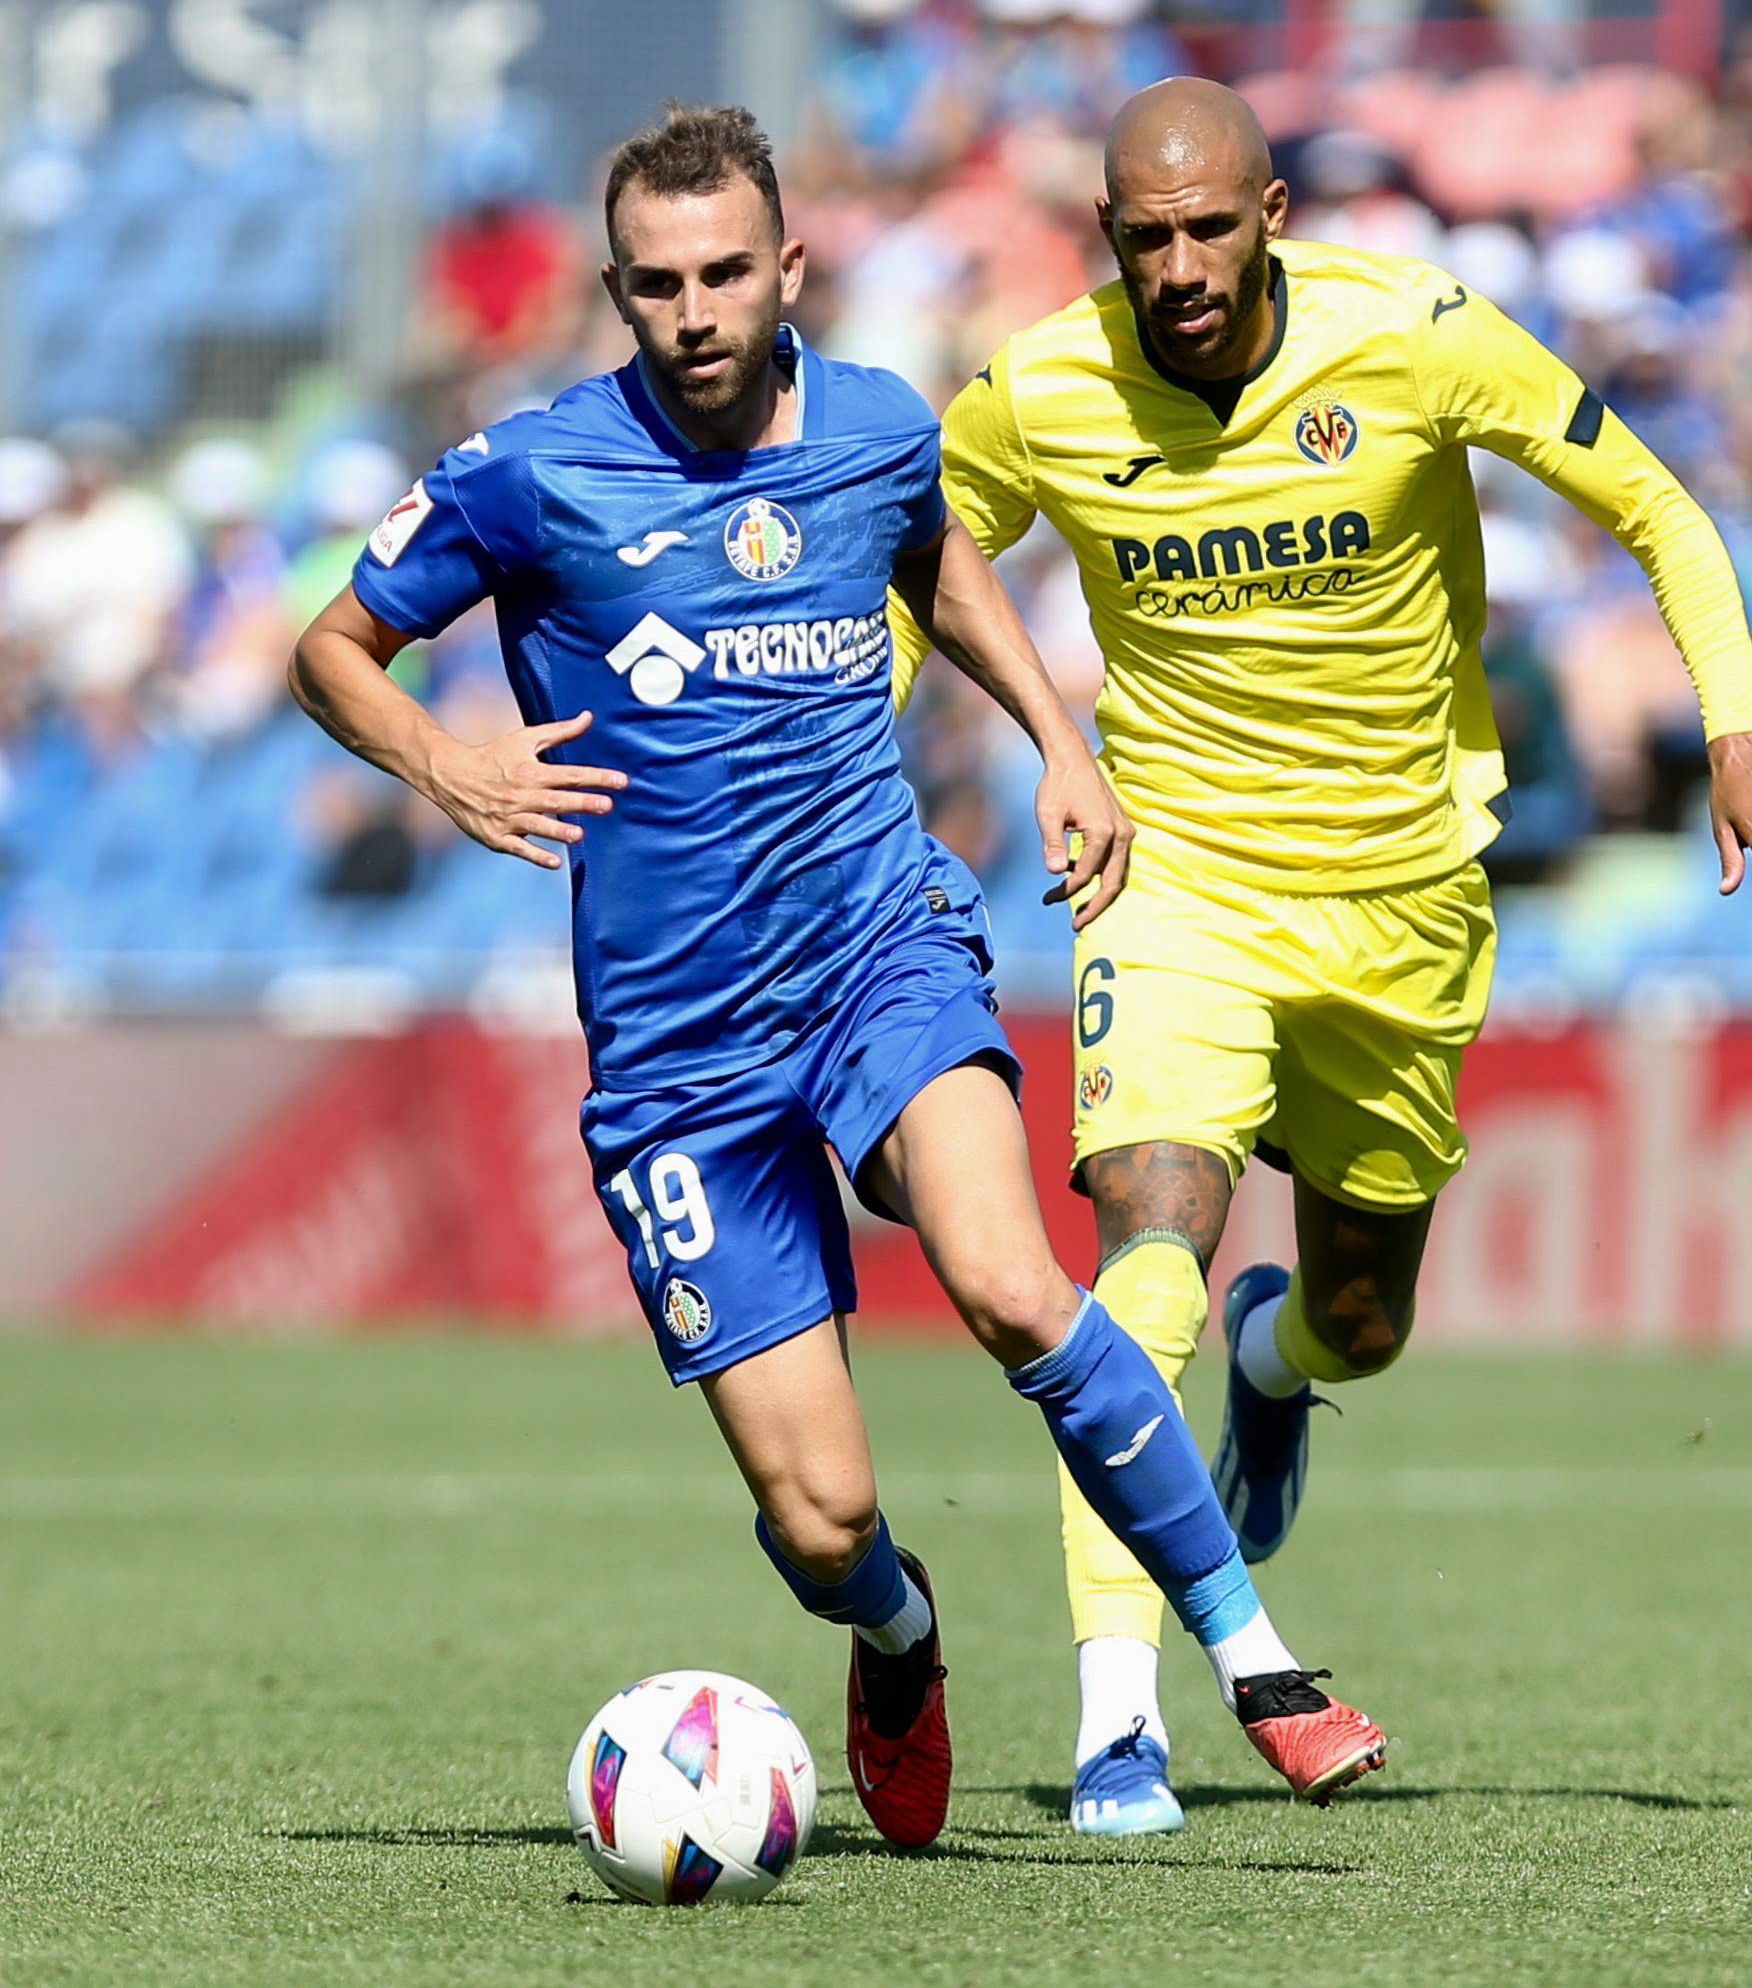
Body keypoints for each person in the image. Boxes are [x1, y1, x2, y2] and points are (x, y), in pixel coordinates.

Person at [287, 102, 1388, 1856]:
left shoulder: (877, 422)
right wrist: (449, 763)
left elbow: (937, 556)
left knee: (1017, 1284)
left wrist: (1059, 732)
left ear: (788, 267)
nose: (699, 310)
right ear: (616, 292)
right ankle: (898, 1630)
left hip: (880, 948)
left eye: (729, 271)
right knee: (819, 1516)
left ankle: (1257, 1660)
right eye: (659, 285)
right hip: (677, 1054)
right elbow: (331, 648)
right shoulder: (534, 471)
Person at [892, 78, 1752, 1836]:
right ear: (1109, 236)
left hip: (1403, 904)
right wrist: (870, 787)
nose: (1179, 266)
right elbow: (912, 558)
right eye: (1144, 235)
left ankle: (1282, 1371)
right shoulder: (1041, 387)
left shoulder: (1412, 333)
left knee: (1361, 1318)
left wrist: (1741, 737)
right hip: (1171, 884)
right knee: (1143, 1255)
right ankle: (1120, 1723)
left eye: (1209, 227)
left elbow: (1658, 507)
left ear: (1269, 215)